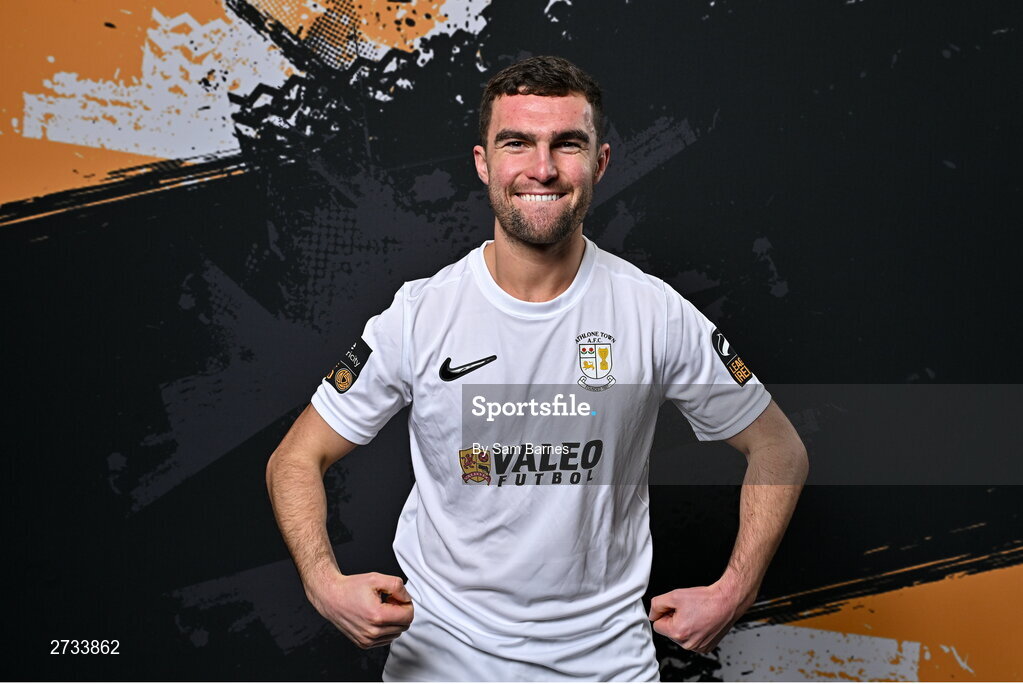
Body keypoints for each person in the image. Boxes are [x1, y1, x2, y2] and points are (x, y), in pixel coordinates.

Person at [266, 55, 808, 681]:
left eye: (567, 144)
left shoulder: (654, 313)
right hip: (441, 665)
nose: (542, 168)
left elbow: (779, 450)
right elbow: (294, 458)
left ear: (600, 162)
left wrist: (734, 591)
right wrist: (322, 583)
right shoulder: (419, 315)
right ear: (484, 163)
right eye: (517, 142)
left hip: (606, 667)